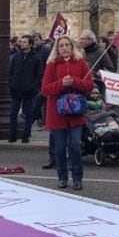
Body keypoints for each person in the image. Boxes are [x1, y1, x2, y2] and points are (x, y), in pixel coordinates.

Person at [41, 35, 94, 190]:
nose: (64, 48)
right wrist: (61, 84)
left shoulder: (81, 63)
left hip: (75, 112)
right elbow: (45, 89)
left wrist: (75, 82)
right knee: (59, 147)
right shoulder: (51, 65)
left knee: (75, 146)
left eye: (67, 45)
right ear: (57, 49)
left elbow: (89, 85)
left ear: (72, 47)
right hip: (57, 112)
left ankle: (77, 177)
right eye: (61, 45)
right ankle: (62, 177)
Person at [8, 34, 41, 143]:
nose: (22, 43)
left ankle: (26, 135)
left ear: (30, 44)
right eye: (21, 41)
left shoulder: (36, 58)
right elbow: (10, 72)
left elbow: (38, 75)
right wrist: (11, 84)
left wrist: (33, 87)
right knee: (13, 113)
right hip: (16, 89)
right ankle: (12, 135)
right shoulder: (16, 57)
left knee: (28, 113)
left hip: (29, 91)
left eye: (25, 42)